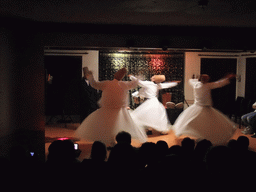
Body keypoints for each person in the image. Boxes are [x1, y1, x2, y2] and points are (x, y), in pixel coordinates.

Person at [74, 68, 147, 146]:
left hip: (112, 110)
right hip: (118, 110)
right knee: (118, 127)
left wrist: (90, 76)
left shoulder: (108, 83)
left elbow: (94, 84)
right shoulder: (123, 84)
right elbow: (134, 84)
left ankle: (113, 142)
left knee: (109, 128)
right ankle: (118, 143)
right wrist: (138, 77)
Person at [173, 73, 237, 145]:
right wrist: (227, 78)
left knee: (202, 124)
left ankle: (202, 138)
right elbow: (219, 83)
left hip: (202, 107)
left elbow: (191, 81)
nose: (206, 80)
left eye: (207, 79)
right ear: (203, 79)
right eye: (205, 78)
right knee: (201, 124)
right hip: (202, 108)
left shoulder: (196, 84)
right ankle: (201, 138)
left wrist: (193, 78)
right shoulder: (207, 85)